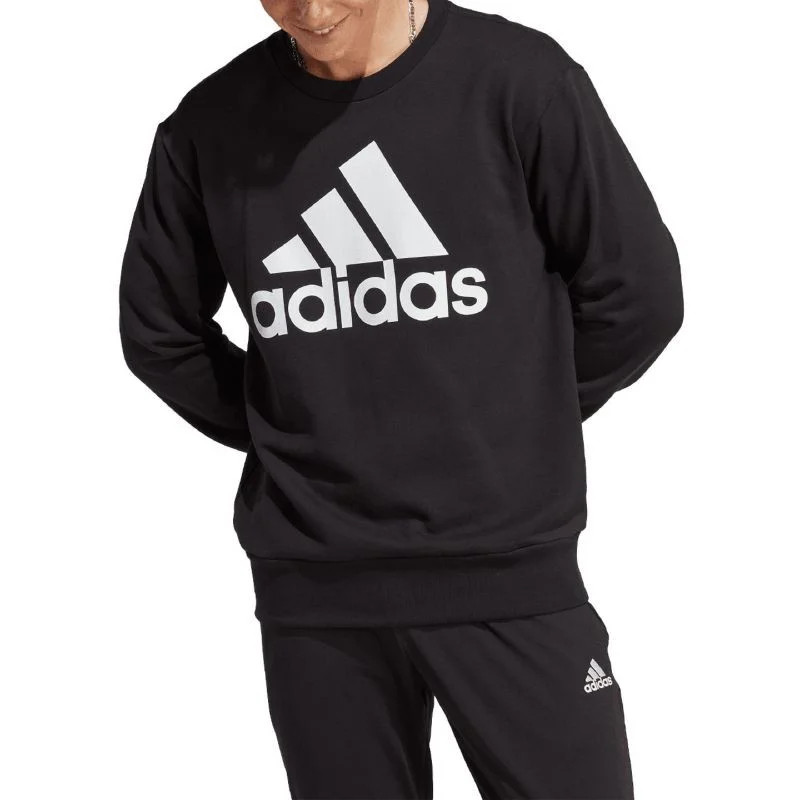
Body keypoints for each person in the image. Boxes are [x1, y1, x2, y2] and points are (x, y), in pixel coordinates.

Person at [118, 0, 683, 796]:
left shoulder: (519, 82)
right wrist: (304, 431)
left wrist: (516, 414)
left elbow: (639, 297)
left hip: (507, 575)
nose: (309, 10)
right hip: (317, 598)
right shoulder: (209, 124)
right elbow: (158, 333)